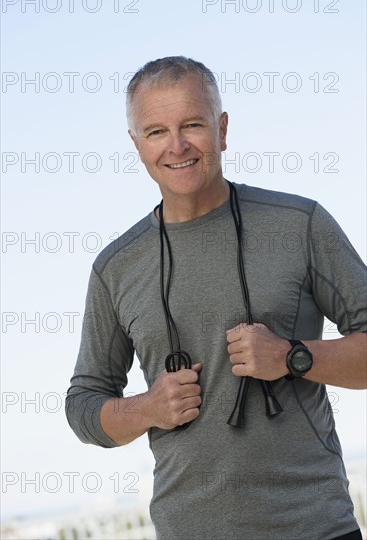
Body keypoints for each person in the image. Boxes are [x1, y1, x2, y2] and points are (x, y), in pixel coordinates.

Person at [66, 56, 366, 540]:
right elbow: (83, 404)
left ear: (222, 129)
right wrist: (148, 409)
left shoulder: (299, 224)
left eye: (192, 124)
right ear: (137, 144)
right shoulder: (115, 268)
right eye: (157, 131)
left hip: (315, 527)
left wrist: (293, 356)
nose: (177, 145)